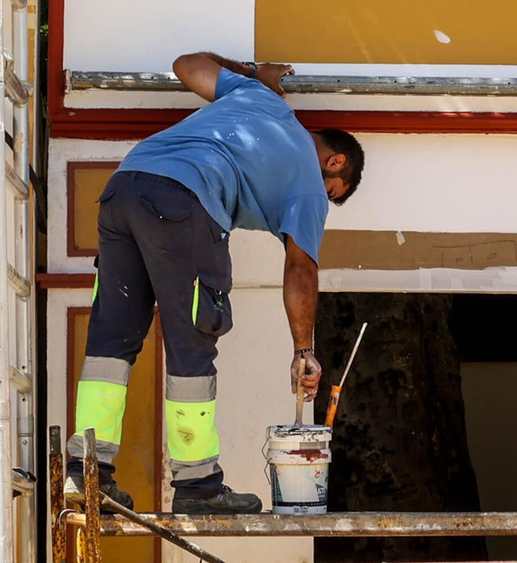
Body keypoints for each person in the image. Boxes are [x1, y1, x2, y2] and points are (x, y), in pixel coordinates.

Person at [65, 52, 366, 514]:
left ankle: (86, 474)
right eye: (332, 191)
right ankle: (198, 486)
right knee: (192, 342)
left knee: (111, 339)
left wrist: (254, 72)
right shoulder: (310, 185)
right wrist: (303, 350)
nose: (321, 202)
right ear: (335, 162)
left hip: (124, 187)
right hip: (184, 201)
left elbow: (186, 66)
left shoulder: (261, 98)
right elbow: (300, 269)